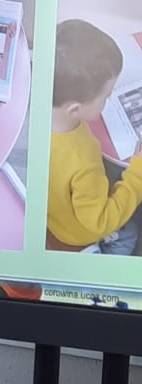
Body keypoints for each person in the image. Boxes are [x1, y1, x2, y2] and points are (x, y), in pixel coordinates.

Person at [47, 18, 142, 255]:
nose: (108, 100)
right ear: (75, 109)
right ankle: (96, 254)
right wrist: (137, 174)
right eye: (106, 96)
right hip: (80, 231)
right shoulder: (82, 161)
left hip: (56, 215)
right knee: (129, 233)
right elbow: (100, 222)